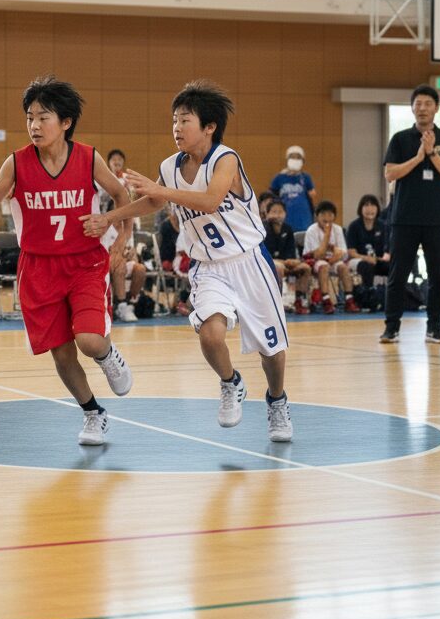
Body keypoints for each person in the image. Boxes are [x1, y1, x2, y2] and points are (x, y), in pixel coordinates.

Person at [82, 79, 294, 443]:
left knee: (271, 350)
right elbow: (154, 201)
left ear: (209, 126)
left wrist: (161, 190)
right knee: (210, 336)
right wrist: (110, 218)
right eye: (174, 121)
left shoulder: (226, 159)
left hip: (249, 262)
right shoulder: (170, 166)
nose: (177, 128)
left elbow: (210, 201)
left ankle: (277, 400)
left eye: (185, 121)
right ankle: (231, 382)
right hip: (209, 267)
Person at [0, 76, 134, 446]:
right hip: (38, 268)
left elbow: (122, 196)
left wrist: (120, 240)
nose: (34, 125)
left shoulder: (88, 158)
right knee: (62, 354)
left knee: (89, 340)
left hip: (84, 263)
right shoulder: (16, 163)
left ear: (65, 122)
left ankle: (107, 354)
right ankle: (93, 413)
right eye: (29, 118)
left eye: (43, 117)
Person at [380, 84, 440, 345]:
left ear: (436, 108)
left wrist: (431, 153)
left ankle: (434, 328)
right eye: (418, 104)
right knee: (397, 276)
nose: (422, 108)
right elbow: (390, 173)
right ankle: (391, 328)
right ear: (412, 108)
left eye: (428, 103)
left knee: (438, 277)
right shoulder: (400, 138)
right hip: (404, 218)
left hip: (437, 219)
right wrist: (418, 158)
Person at [302, 201, 359, 314]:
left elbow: (343, 252)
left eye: (330, 214)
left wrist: (333, 258)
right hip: (314, 261)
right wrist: (327, 236)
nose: (327, 218)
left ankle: (349, 299)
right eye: (323, 214)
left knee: (343, 267)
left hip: (333, 260)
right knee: (324, 266)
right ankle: (326, 300)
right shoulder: (311, 230)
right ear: (317, 216)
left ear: (334, 216)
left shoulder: (338, 229)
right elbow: (317, 255)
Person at [263, 198, 311, 314]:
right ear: (267, 214)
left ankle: (299, 301)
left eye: (280, 212)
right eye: (274, 212)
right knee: (278, 268)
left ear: (285, 214)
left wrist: (294, 261)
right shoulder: (263, 229)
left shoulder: (288, 229)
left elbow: (291, 252)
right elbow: (264, 255)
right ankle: (277, 303)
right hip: (268, 263)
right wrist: (284, 262)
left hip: (286, 263)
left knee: (305, 268)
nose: (277, 215)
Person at [346, 194, 391, 290]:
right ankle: (367, 294)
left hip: (377, 260)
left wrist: (386, 256)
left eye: (373, 205)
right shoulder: (354, 226)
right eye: (366, 205)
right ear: (360, 208)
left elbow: (388, 248)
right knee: (367, 267)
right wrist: (366, 258)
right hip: (358, 259)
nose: (370, 209)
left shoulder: (383, 226)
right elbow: (351, 253)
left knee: (393, 267)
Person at [269, 145, 317, 232]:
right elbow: (271, 198)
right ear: (287, 159)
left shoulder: (305, 177)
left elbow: (312, 195)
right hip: (285, 217)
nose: (295, 160)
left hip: (304, 218)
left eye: (298, 157)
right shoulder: (279, 178)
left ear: (303, 161)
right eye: (292, 157)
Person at [110, 241, 147, 322]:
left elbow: (133, 255)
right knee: (120, 266)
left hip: (123, 260)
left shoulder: (127, 234)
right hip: (108, 261)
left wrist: (130, 254)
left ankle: (130, 303)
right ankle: (121, 304)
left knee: (140, 269)